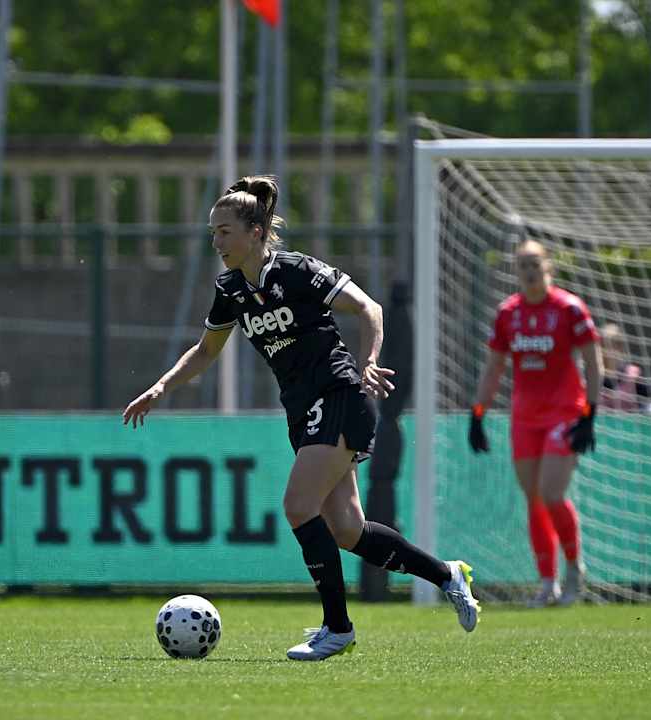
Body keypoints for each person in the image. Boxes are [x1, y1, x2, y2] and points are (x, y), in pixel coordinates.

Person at [122, 176, 479, 661]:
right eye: (212, 233)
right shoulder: (230, 289)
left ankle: (338, 628)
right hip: (302, 410)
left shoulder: (297, 271)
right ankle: (446, 574)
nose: (216, 242)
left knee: (297, 504)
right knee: (349, 530)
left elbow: (369, 308)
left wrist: (370, 359)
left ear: (254, 231)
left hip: (339, 395)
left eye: (225, 231)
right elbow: (207, 350)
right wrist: (163, 385)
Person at [468, 239, 603, 607]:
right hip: (525, 417)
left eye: (534, 263)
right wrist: (477, 413)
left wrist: (590, 413)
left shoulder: (569, 308)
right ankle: (548, 582)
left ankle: (574, 568)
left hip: (565, 412)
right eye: (522, 264)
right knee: (534, 499)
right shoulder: (508, 313)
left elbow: (592, 361)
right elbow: (495, 366)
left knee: (552, 493)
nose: (529, 270)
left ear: (548, 267)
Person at [599, 323, 651, 416]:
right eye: (602, 345)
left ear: (620, 348)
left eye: (613, 345)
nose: (604, 350)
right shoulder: (591, 376)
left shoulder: (632, 375)